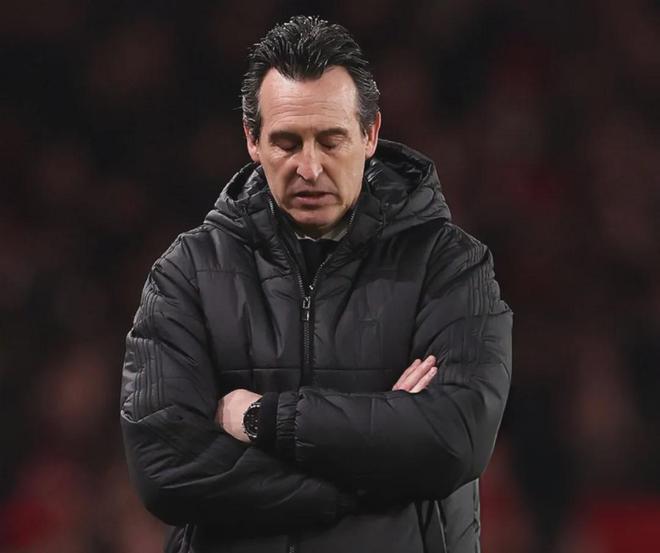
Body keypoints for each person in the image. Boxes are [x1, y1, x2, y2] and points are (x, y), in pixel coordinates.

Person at [120, 15, 512, 553]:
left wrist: (260, 418)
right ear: (252, 140)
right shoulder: (185, 273)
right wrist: (375, 470)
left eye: (331, 141)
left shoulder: (450, 266)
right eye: (287, 143)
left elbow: (455, 440)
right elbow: (164, 469)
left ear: (370, 134)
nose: (309, 168)